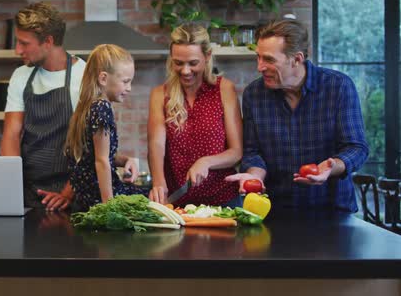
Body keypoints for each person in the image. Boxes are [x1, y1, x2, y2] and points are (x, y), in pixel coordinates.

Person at [225, 19, 369, 212]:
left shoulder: (338, 87)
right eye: (258, 57)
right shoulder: (254, 94)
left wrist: (331, 167)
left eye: (269, 59)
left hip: (332, 209)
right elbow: (252, 152)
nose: (260, 67)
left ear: (297, 59)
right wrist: (255, 176)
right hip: (275, 210)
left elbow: (357, 148)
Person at [1, 2, 86, 210]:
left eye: (24, 43)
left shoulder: (84, 76)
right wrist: (11, 188)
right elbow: (11, 134)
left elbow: (89, 144)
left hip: (72, 192)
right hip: (29, 192)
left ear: (48, 41)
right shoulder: (21, 75)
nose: (17, 50)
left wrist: (67, 193)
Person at [148, 23, 243, 207]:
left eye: (193, 63)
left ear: (207, 57)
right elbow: (156, 144)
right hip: (177, 203)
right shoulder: (160, 95)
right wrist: (158, 182)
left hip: (223, 202)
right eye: (178, 63)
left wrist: (206, 161)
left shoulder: (224, 89)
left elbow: (236, 152)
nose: (185, 70)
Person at [65, 44, 146, 211]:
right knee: (150, 197)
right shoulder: (102, 107)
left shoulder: (88, 106)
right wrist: (109, 208)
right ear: (103, 79)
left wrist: (125, 160)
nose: (129, 88)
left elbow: (98, 154)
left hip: (86, 196)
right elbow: (101, 161)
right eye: (125, 81)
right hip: (98, 197)